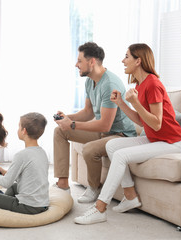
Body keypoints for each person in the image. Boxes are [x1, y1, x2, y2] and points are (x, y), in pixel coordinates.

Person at [74, 43, 181, 225]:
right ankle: (130, 195)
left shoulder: (153, 84)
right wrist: (122, 103)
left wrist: (135, 102)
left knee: (121, 155)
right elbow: (143, 121)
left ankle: (100, 208)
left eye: (127, 57)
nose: (123, 61)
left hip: (171, 142)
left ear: (138, 61)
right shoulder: (139, 85)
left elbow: (156, 123)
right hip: (154, 138)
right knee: (112, 145)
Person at [54, 42, 137, 203]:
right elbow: (88, 112)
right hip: (103, 132)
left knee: (90, 149)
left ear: (91, 62)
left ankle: (93, 188)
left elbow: (105, 125)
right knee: (60, 131)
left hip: (120, 135)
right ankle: (63, 183)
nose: (76, 64)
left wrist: (72, 125)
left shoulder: (110, 84)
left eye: (79, 61)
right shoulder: (89, 81)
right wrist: (67, 118)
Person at [0, 112, 49, 215]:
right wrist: (5, 172)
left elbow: (6, 183)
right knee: (14, 187)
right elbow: (31, 177)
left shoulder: (21, 155)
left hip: (27, 206)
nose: (18, 129)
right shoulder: (42, 152)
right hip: (42, 203)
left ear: (24, 131)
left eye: (19, 126)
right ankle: (0, 201)